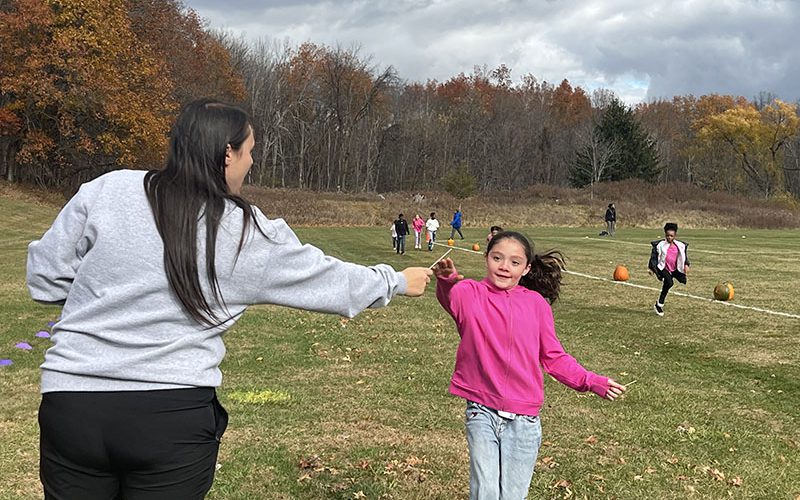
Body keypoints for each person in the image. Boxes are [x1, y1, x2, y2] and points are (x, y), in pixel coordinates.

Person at [26, 98, 433, 499]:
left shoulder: (108, 190)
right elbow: (331, 280)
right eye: (249, 151)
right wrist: (395, 280)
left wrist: (101, 301)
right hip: (170, 417)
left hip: (70, 408)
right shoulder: (243, 231)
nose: (251, 162)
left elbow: (45, 278)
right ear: (227, 154)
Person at [432, 231, 626, 500]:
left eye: (514, 262)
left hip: (524, 420)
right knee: (485, 491)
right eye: (497, 258)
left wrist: (592, 381)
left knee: (512, 496)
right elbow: (451, 300)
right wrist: (446, 281)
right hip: (481, 410)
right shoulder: (470, 292)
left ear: (526, 268)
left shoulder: (536, 305)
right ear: (485, 258)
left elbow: (554, 357)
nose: (504, 267)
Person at [648, 222, 690, 316]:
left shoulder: (679, 246)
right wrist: (651, 268)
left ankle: (658, 304)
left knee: (677, 281)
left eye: (671, 236)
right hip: (663, 268)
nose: (669, 238)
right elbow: (654, 257)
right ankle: (659, 305)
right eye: (667, 235)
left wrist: (686, 265)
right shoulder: (660, 245)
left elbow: (684, 256)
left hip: (675, 269)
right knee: (669, 283)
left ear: (675, 236)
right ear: (665, 235)